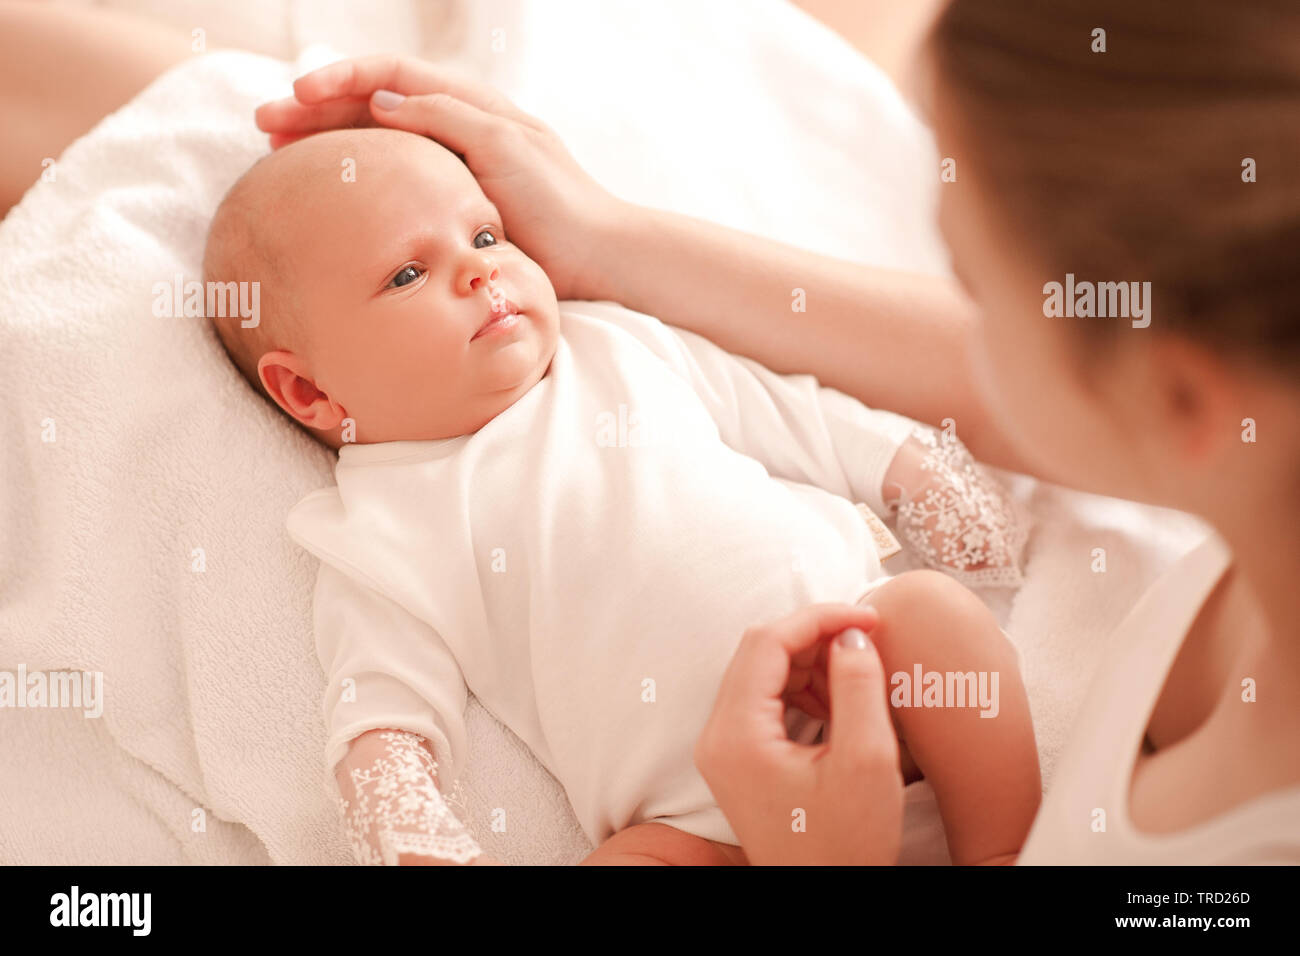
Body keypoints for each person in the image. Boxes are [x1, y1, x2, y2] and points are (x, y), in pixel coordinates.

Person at [255, 0, 1300, 864]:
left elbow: (794, 408)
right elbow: (383, 698)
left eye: (971, 286)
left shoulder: (618, 354)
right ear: (310, 393)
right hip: (688, 809)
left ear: (1179, 400)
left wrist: (901, 467)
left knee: (935, 615)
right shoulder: (374, 528)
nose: (484, 266)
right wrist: (605, 235)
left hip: (855, 668)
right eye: (408, 272)